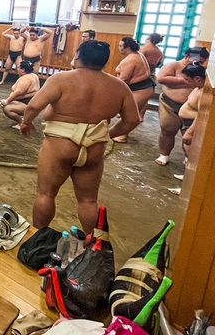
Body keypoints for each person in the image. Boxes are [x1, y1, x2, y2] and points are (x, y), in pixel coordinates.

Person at [20, 40, 140, 234]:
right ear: (105, 62)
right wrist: (107, 135)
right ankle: (92, 247)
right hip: (94, 150)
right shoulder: (119, 86)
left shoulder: (61, 79)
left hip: (59, 146)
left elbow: (34, 106)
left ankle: (37, 238)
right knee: (88, 200)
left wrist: (26, 122)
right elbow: (133, 120)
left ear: (77, 56)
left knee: (46, 194)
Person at [155, 47, 209, 166]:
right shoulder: (173, 66)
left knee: (190, 135)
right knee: (167, 130)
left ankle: (188, 159)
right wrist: (185, 80)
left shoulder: (201, 71)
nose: (198, 64)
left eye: (202, 62)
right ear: (187, 57)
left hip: (193, 108)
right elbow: (161, 78)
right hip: (170, 103)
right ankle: (164, 155)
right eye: (197, 61)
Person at [110, 37, 155, 143]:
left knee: (129, 116)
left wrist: (112, 91)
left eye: (121, 46)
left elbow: (124, 79)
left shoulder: (130, 59)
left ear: (128, 48)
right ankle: (120, 134)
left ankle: (121, 135)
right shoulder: (138, 55)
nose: (119, 48)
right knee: (131, 115)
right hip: (143, 88)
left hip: (140, 90)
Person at [170, 65, 207, 193]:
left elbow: (202, 115)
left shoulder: (204, 93)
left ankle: (187, 189)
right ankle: (187, 178)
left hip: (194, 126)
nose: (185, 82)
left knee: (194, 159)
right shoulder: (198, 88)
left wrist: (190, 132)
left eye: (187, 80)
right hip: (188, 124)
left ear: (197, 78)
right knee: (188, 155)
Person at [0, 61, 40, 127]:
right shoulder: (34, 75)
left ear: (23, 70)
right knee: (7, 104)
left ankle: (22, 124)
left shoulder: (26, 79)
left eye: (19, 68)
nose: (17, 69)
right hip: (30, 104)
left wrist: (7, 101)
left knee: (7, 109)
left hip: (28, 106)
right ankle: (26, 121)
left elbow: (18, 92)